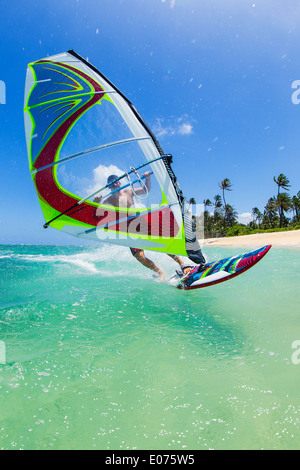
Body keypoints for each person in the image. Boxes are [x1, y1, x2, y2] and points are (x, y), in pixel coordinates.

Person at [94, 173, 193, 281]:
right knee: (139, 256)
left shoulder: (128, 191)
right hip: (128, 229)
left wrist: (148, 178)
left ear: (119, 182)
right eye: (111, 183)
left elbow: (145, 190)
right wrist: (96, 203)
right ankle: (160, 273)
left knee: (160, 243)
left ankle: (182, 264)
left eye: (116, 181)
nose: (114, 184)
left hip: (140, 222)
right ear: (109, 187)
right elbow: (98, 213)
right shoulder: (109, 200)